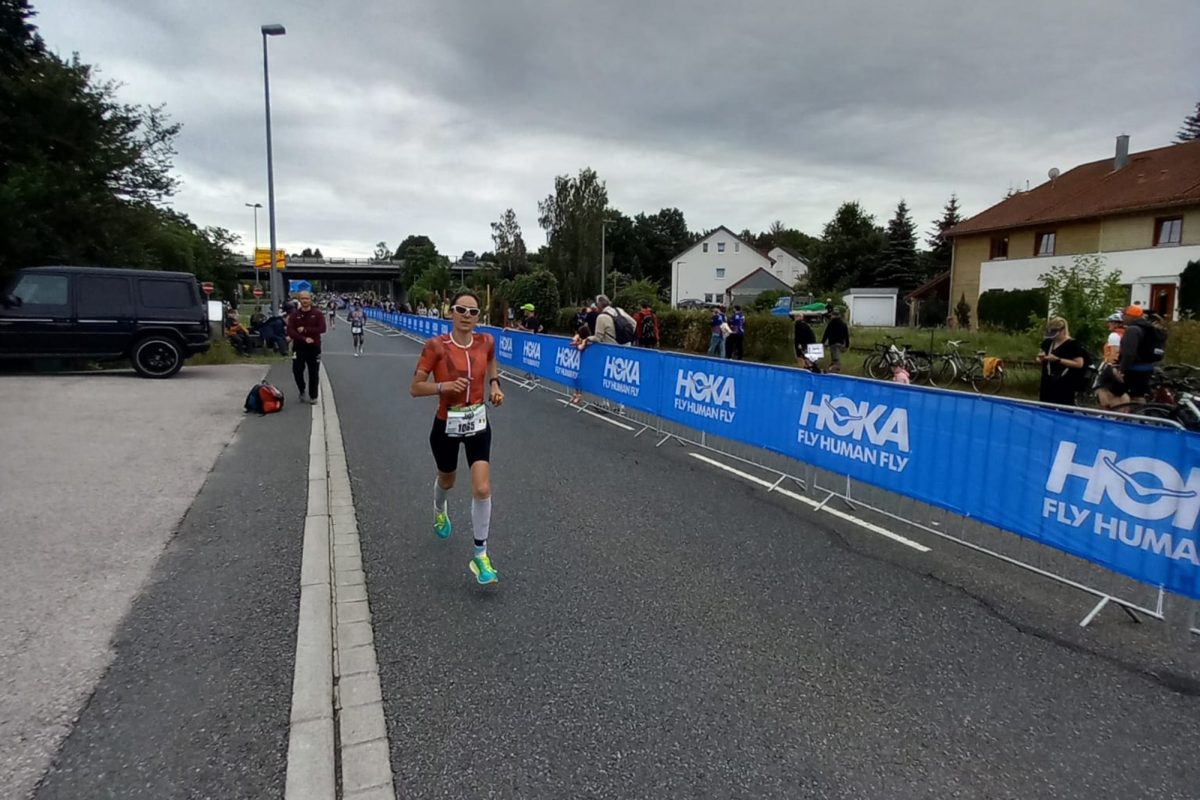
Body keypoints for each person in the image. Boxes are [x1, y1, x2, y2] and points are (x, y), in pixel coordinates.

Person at [409, 290, 504, 585]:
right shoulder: (436, 346)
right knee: (447, 480)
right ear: (451, 313)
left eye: (473, 312)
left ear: (479, 317)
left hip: (477, 421)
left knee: (482, 487)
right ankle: (439, 508)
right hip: (446, 423)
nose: (467, 316)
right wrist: (444, 386)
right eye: (461, 310)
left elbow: (490, 360)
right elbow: (415, 387)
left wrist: (495, 384)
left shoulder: (486, 341)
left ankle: (481, 555)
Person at [286, 290, 327, 404]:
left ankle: (313, 396)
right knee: (297, 370)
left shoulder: (317, 314)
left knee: (313, 372)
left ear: (310, 300)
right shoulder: (294, 315)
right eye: (302, 299)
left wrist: (306, 329)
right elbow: (291, 331)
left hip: (314, 347)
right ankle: (302, 389)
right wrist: (303, 338)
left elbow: (322, 328)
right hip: (299, 347)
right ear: (299, 300)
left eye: (307, 298)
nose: (305, 301)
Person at [1114, 305, 1160, 404]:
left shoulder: (1132, 330)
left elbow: (1129, 353)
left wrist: (1121, 370)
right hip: (1146, 367)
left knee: (1125, 395)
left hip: (1134, 369)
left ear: (1132, 316)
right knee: (1139, 395)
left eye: (1124, 315)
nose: (1122, 317)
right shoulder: (1148, 327)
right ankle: (1141, 415)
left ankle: (1132, 417)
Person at [1036, 316, 1086, 406]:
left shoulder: (1073, 344)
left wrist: (1058, 360)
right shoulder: (1047, 342)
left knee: (1064, 408)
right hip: (1047, 382)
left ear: (1063, 330)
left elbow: (1079, 364)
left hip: (1065, 383)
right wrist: (1041, 358)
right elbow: (1039, 356)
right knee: (1045, 407)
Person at [1095, 311, 1129, 409]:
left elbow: (1115, 353)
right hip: (1123, 365)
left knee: (1101, 388)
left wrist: (1111, 366)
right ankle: (1123, 412)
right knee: (1120, 392)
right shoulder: (1126, 334)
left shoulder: (1114, 336)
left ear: (1116, 323)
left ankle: (1107, 410)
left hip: (1112, 366)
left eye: (1110, 322)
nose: (1108, 324)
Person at [822, 307, 850, 373]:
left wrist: (822, 342)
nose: (831, 317)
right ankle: (832, 369)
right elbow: (846, 335)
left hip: (833, 343)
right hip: (840, 343)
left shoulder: (831, 323)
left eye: (831, 315)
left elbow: (826, 333)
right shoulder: (843, 324)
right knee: (835, 357)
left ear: (834, 316)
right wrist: (847, 345)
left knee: (835, 358)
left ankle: (835, 371)